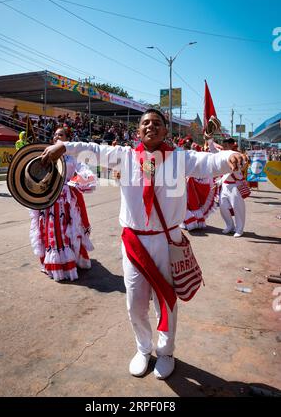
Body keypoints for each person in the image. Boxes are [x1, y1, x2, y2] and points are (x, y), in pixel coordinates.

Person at [41, 109, 247, 379]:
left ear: (165, 131)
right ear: (138, 131)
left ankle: (166, 352)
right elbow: (93, 148)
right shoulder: (125, 156)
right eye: (145, 123)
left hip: (167, 240)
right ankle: (143, 349)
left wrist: (229, 156)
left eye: (157, 123)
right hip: (134, 241)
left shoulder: (180, 159)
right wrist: (64, 145)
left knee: (166, 302)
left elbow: (209, 161)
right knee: (135, 303)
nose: (151, 126)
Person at [30, 126, 97, 281]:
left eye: (60, 135)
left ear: (68, 139)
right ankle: (54, 265)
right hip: (48, 201)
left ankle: (70, 263)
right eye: (54, 135)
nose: (56, 137)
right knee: (51, 232)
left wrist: (73, 183)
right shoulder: (46, 155)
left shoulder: (73, 157)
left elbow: (86, 173)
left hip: (66, 202)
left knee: (68, 231)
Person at [216, 138, 247, 238]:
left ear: (231, 145)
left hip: (235, 185)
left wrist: (220, 180)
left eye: (226, 146)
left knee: (238, 207)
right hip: (225, 185)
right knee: (223, 207)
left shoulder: (237, 155)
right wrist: (209, 139)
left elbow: (233, 170)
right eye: (223, 146)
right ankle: (229, 225)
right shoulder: (222, 154)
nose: (224, 148)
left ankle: (239, 229)